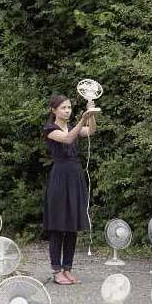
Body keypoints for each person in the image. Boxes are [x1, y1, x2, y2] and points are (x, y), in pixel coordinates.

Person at [42, 94, 99, 285]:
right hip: (60, 178)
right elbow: (67, 139)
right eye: (63, 108)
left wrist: (91, 113)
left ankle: (67, 268)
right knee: (58, 226)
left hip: (75, 177)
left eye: (69, 107)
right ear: (54, 110)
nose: (67, 111)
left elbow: (91, 131)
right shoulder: (50, 129)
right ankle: (56, 270)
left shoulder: (73, 126)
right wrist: (83, 119)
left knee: (72, 226)